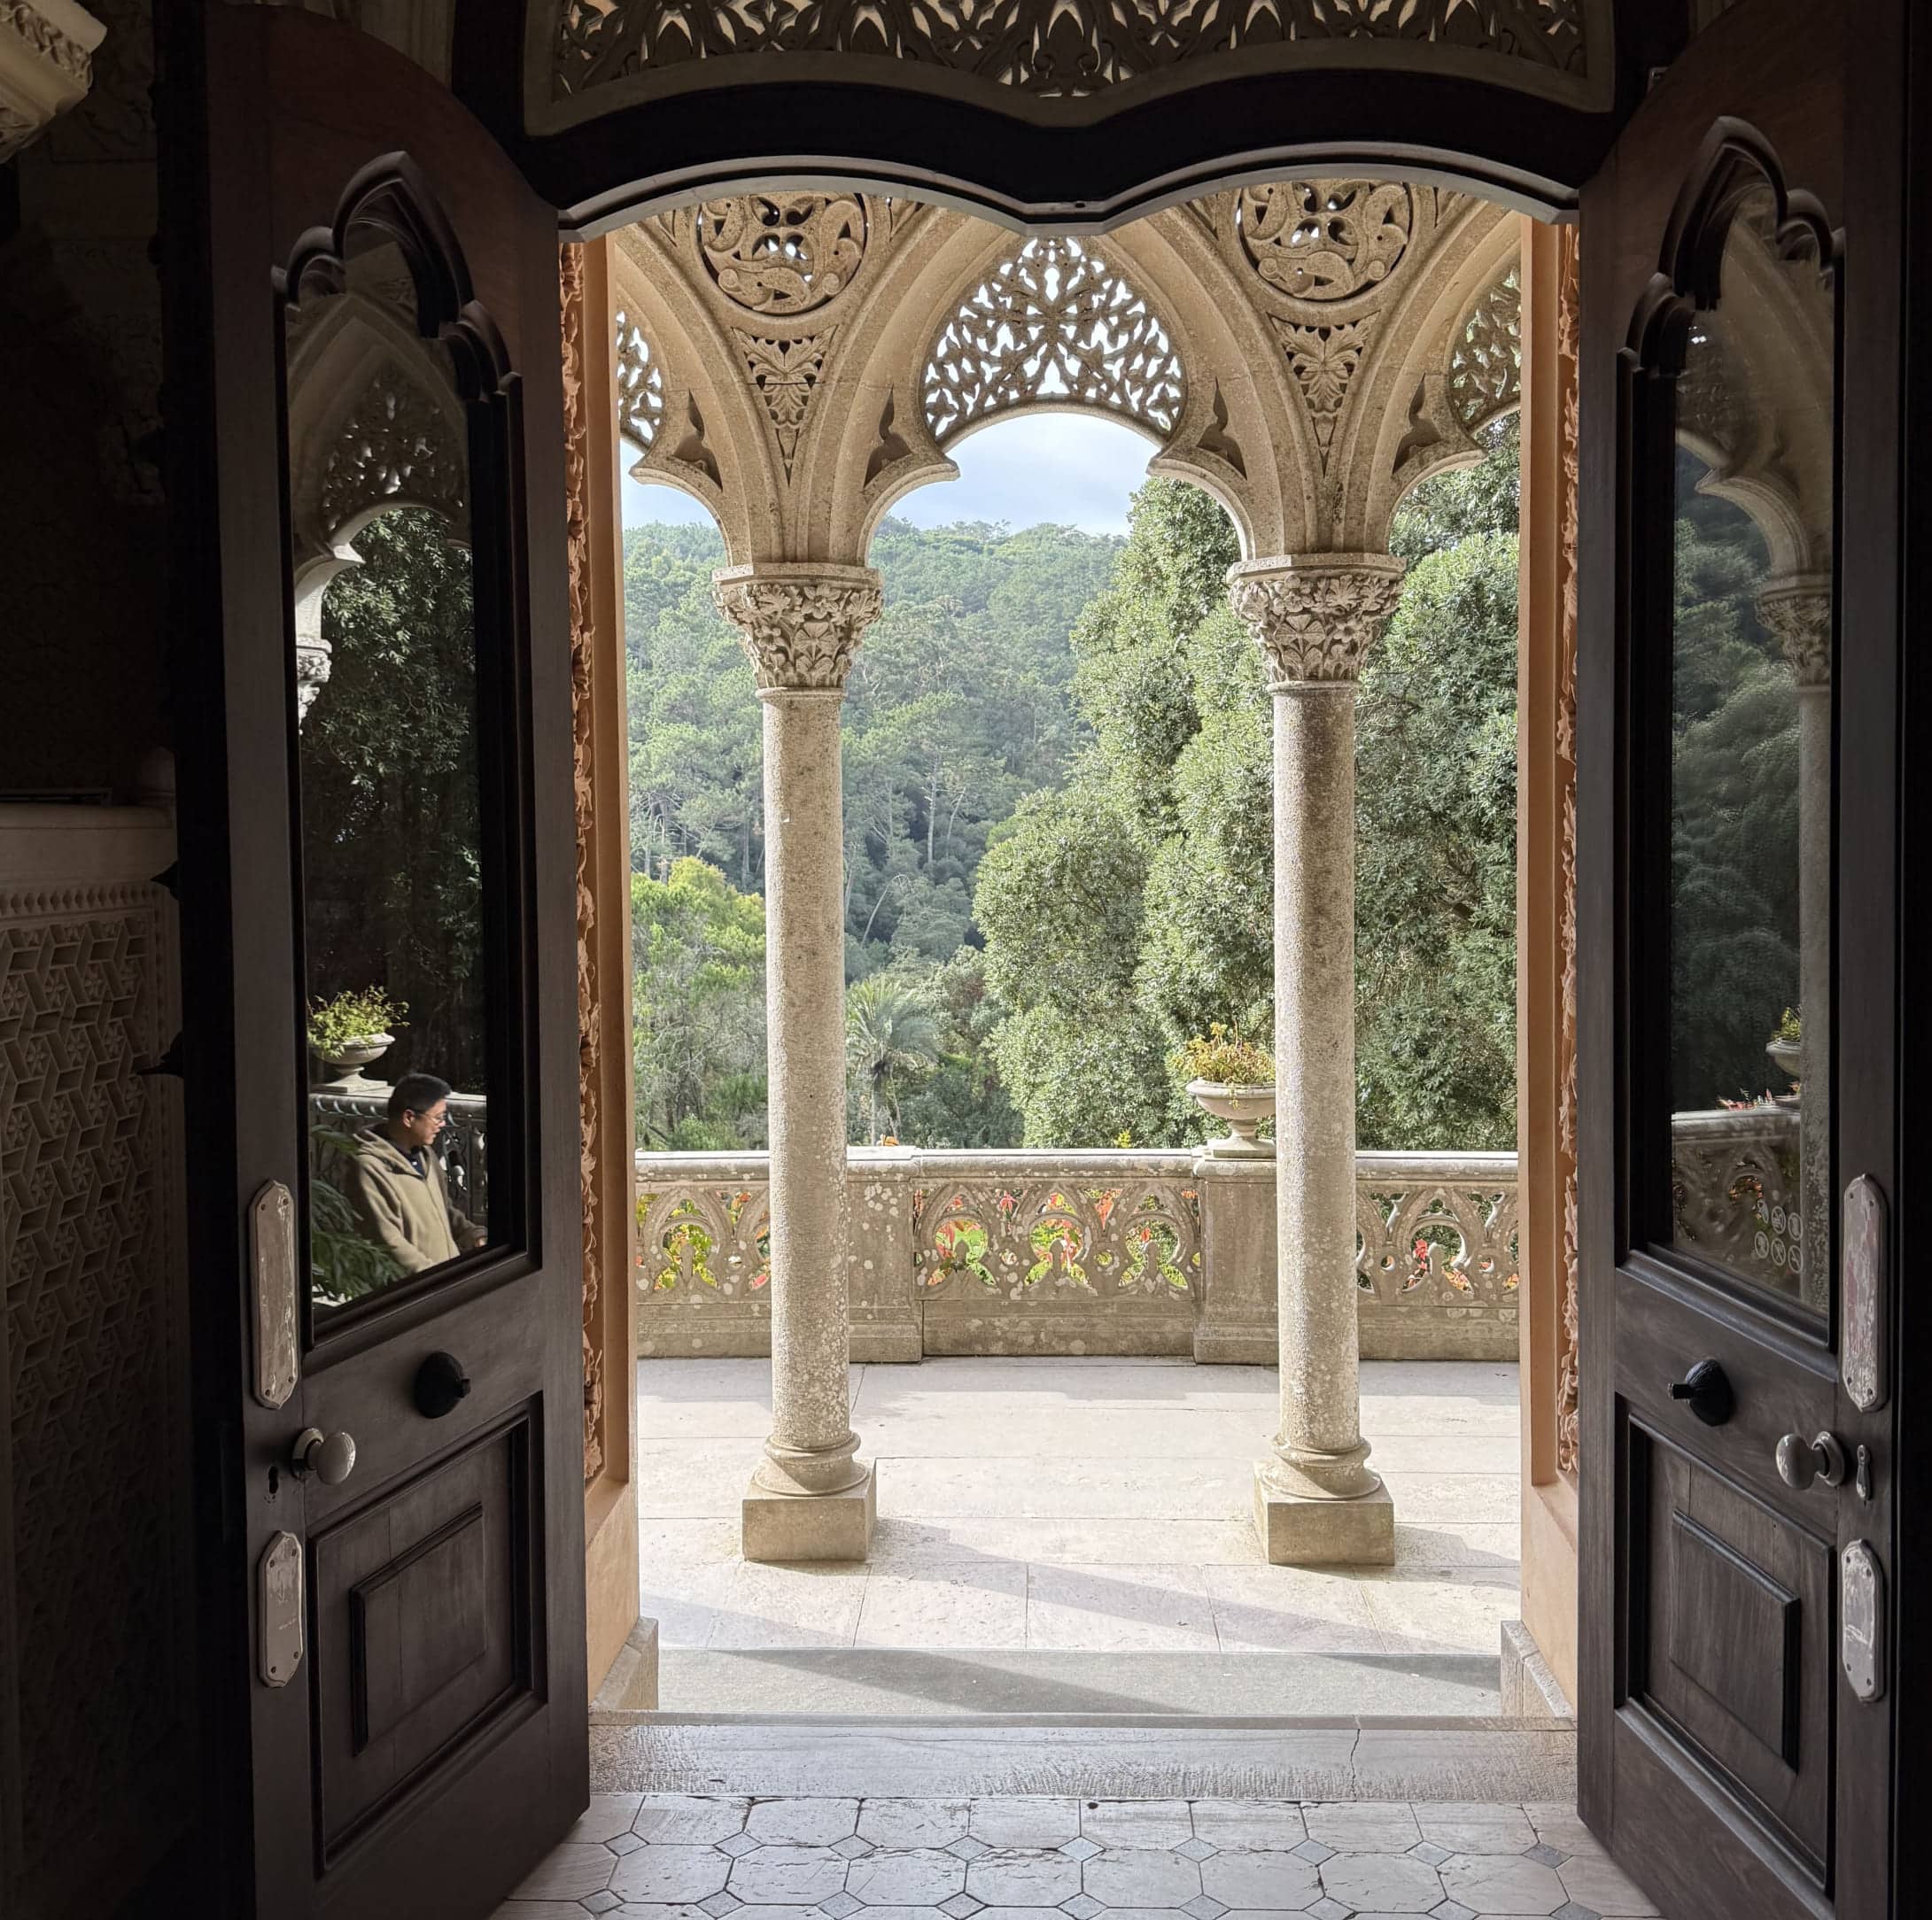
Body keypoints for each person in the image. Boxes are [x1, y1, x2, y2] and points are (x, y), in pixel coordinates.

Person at [342, 1072, 486, 1274]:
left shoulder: (425, 1154)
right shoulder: (369, 1167)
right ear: (409, 1118)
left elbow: (443, 1210)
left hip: (445, 1280)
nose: (442, 1124)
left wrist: (472, 1234)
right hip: (415, 1290)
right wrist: (433, 1277)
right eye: (437, 1118)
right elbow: (388, 1242)